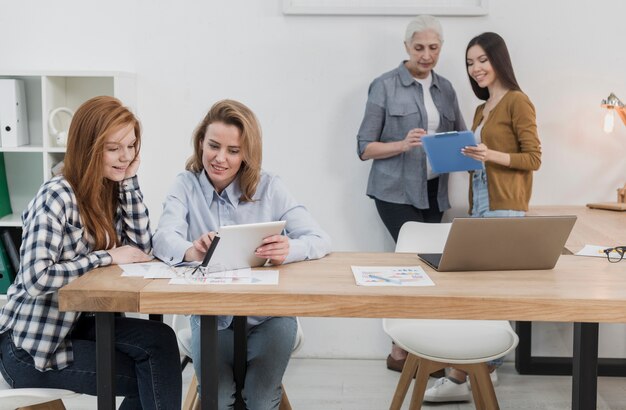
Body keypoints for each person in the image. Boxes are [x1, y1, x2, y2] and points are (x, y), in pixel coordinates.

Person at [0, 96, 182, 409]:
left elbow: (140, 249)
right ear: (88, 146)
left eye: (131, 145)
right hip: (33, 349)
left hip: (83, 326)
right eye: (114, 148)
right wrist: (106, 257)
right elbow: (35, 278)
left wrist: (129, 180)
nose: (125, 156)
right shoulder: (56, 195)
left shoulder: (108, 188)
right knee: (154, 374)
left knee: (161, 340)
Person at [153, 99, 331, 409]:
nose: (220, 158)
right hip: (211, 314)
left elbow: (319, 238)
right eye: (213, 146)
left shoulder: (270, 187)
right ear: (200, 143)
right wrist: (191, 249)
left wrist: (290, 248)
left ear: (247, 153)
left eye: (233, 151)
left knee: (261, 401)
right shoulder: (186, 185)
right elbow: (163, 237)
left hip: (269, 314)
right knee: (219, 401)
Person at [424, 32, 541, 403]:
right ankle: (480, 369)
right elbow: (480, 158)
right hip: (481, 207)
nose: (475, 69)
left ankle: (465, 374)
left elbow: (533, 158)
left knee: (491, 294)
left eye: (481, 60)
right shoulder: (482, 109)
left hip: (506, 208)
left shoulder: (517, 102)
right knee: (481, 292)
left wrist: (490, 155)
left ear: (498, 60)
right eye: (470, 63)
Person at [356, 14, 466, 374]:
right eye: (419, 48)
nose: (426, 55)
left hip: (434, 193)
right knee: (413, 265)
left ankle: (408, 351)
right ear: (406, 48)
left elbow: (461, 136)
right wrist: (402, 144)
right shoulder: (384, 86)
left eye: (433, 48)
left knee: (430, 269)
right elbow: (364, 147)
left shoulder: (446, 88)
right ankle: (409, 350)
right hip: (394, 192)